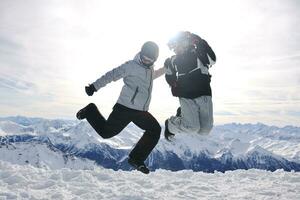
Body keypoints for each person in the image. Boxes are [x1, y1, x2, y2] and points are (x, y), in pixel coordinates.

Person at [76, 41, 165, 174]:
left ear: (154, 59)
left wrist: (167, 68)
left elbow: (153, 76)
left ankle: (136, 158)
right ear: (140, 53)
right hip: (124, 108)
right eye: (144, 57)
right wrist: (94, 86)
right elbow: (112, 74)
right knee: (106, 133)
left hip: (141, 111)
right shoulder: (131, 65)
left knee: (155, 130)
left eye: (149, 59)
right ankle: (90, 111)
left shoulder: (150, 70)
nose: (145, 60)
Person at [164, 31, 216, 141]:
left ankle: (182, 113)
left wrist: (199, 41)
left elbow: (212, 59)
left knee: (205, 130)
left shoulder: (199, 54)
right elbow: (169, 76)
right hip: (186, 96)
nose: (176, 50)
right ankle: (170, 126)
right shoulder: (173, 61)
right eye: (174, 48)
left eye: (178, 46)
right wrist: (173, 83)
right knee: (192, 128)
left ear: (186, 43)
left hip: (203, 93)